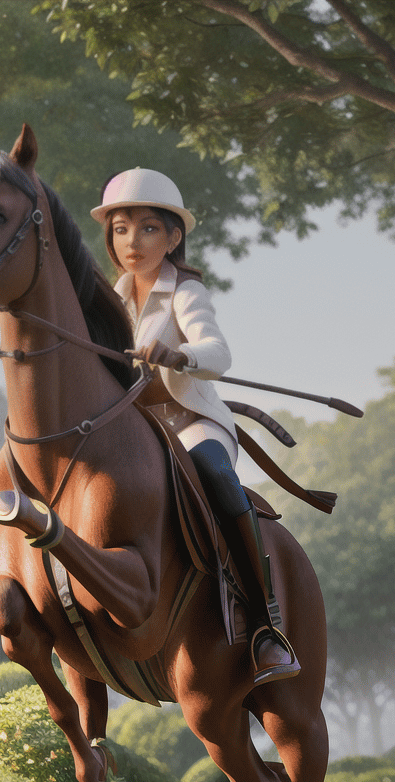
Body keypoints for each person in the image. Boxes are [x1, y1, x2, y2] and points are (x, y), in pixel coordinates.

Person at [90, 167, 300, 685]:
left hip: (190, 425)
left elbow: (218, 351)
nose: (132, 242)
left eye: (148, 229)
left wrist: (175, 354)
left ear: (174, 237)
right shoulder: (108, 300)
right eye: (120, 230)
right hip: (134, 436)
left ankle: (265, 625)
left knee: (218, 478)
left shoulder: (185, 291)